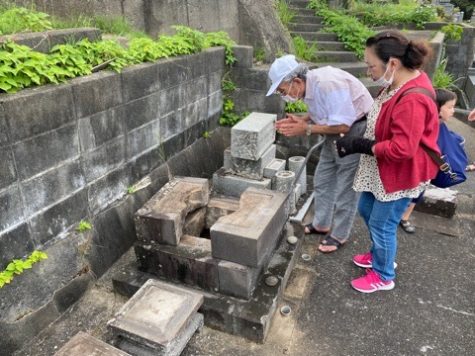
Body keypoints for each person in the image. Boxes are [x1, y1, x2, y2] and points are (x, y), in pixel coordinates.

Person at [336, 30, 440, 293]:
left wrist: (360, 144)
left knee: (382, 224)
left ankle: (384, 274)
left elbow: (403, 149)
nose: (368, 70)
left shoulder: (413, 98)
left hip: (400, 172)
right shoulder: (396, 83)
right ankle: (378, 254)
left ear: (392, 63)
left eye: (371, 65)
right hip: (383, 168)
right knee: (367, 211)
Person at [266, 54, 373, 253]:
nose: (284, 95)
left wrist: (305, 128)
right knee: (323, 179)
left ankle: (340, 235)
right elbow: (323, 111)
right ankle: (321, 223)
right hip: (335, 130)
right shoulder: (310, 84)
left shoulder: (327, 84)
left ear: (296, 81)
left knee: (346, 188)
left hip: (355, 131)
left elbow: (343, 123)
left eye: (283, 90)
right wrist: (303, 119)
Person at [399, 88, 458, 233]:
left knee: (418, 194)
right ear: (437, 107)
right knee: (408, 193)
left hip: (428, 170)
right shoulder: (425, 125)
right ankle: (398, 216)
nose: (453, 111)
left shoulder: (442, 126)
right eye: (450, 107)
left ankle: (405, 217)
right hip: (417, 167)